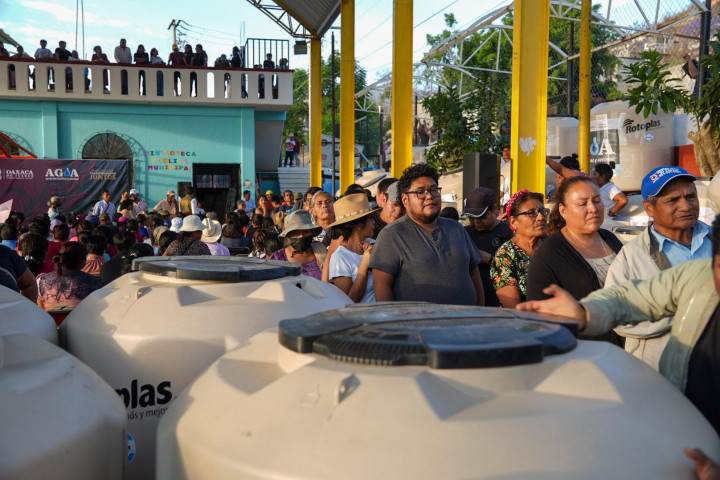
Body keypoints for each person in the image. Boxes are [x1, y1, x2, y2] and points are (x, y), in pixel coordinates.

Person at [517, 214, 720, 439]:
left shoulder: (609, 239)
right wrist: (585, 312)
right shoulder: (698, 276)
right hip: (681, 425)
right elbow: (629, 297)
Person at [606, 166, 711, 369]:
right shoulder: (631, 257)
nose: (686, 206)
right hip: (663, 377)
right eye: (673, 200)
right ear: (649, 208)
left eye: (691, 196)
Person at [370, 163, 484, 306]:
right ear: (405, 200)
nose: (429, 196)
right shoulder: (391, 235)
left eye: (434, 189)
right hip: (417, 325)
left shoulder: (457, 229)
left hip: (467, 323)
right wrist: (394, 324)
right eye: (420, 192)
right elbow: (381, 286)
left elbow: (474, 274)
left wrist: (480, 313)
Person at [526, 176, 623, 303]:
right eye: (583, 203)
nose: (593, 209)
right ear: (563, 210)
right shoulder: (548, 255)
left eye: (597, 200)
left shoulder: (610, 238)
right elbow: (538, 312)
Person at [491, 190, 547, 308]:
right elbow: (515, 308)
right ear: (514, 222)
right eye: (532, 213)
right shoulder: (505, 256)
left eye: (543, 211)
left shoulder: (552, 247)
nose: (541, 217)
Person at [463, 187, 514, 307]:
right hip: (471, 304)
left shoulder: (509, 233)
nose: (476, 221)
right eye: (471, 217)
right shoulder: (463, 233)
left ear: (494, 209)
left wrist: (489, 259)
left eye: (482, 216)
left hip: (501, 303)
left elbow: (520, 268)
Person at [326, 194, 376, 303]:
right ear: (358, 224)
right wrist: (364, 265)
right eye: (371, 218)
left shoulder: (374, 244)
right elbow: (349, 301)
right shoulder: (340, 258)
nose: (374, 222)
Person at [36, 242, 101, 312]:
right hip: (81, 322)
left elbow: (40, 309)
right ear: (82, 262)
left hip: (52, 322)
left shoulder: (41, 280)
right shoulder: (93, 281)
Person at [270, 210, 325, 279]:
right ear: (288, 236)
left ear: (312, 233)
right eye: (296, 233)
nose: (301, 236)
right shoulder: (277, 259)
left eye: (306, 232)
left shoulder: (321, 252)